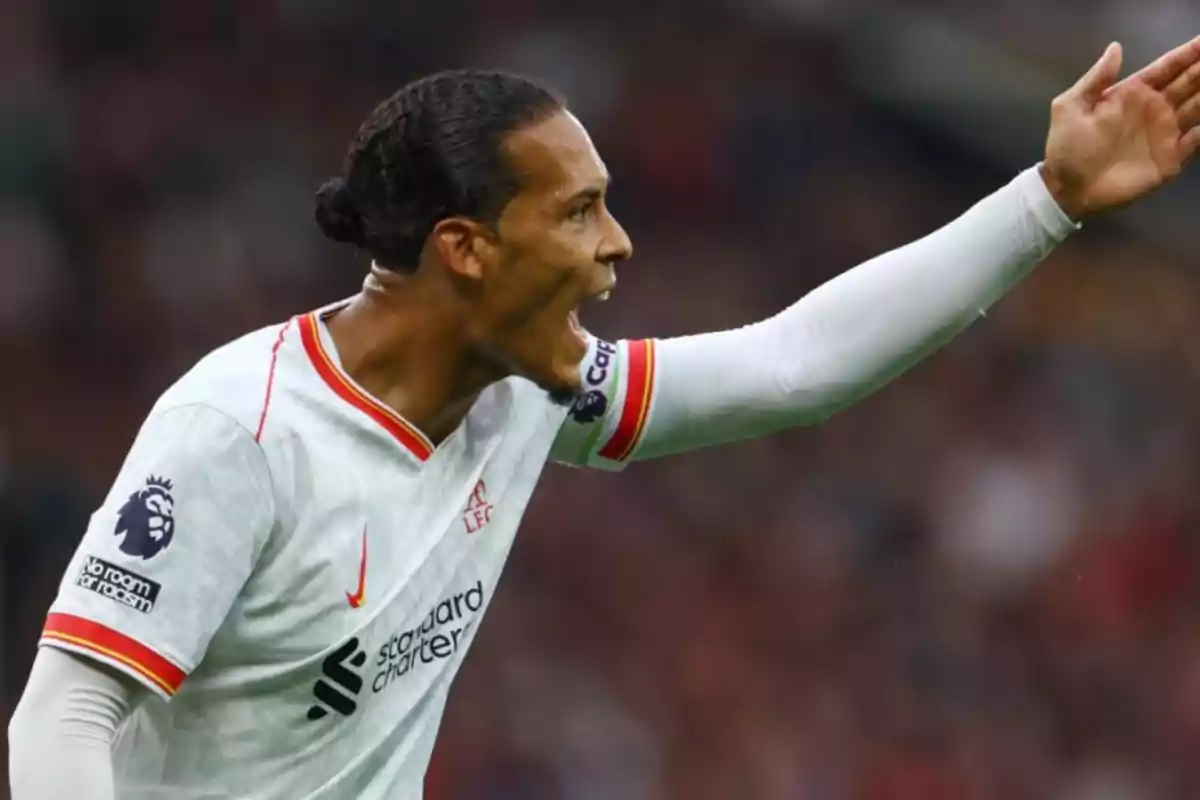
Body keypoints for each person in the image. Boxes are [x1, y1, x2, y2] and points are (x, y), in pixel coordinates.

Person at [9, 36, 1200, 799]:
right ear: (465, 248)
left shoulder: (528, 388)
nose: (618, 246)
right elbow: (67, 706)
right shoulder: (241, 428)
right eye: (580, 212)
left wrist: (1048, 201)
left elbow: (793, 365)